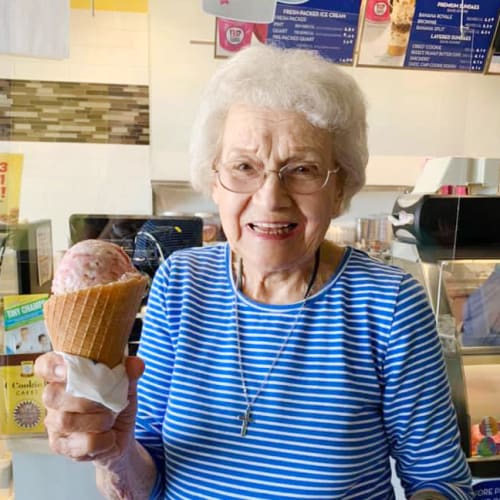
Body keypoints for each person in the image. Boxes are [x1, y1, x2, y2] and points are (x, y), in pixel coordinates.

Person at [35, 45, 472, 499]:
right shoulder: (180, 284)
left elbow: (442, 483)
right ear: (214, 180)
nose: (270, 198)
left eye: (301, 169)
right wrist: (114, 452)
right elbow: (145, 478)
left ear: (340, 187)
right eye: (244, 166)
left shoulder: (388, 302)